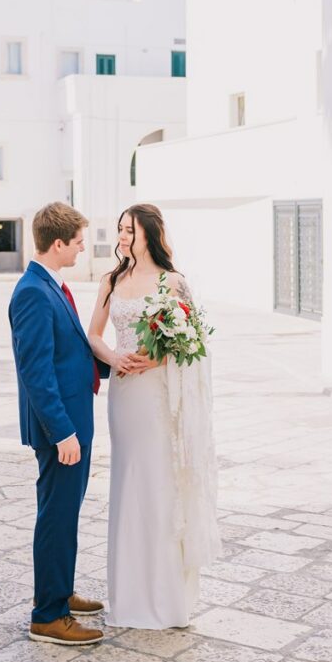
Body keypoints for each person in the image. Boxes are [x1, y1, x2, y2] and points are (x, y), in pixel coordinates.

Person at [87, 203, 221, 629]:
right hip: (124, 394)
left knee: (159, 484)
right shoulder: (112, 280)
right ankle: (128, 597)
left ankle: (165, 599)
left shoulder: (173, 282)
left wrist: (156, 360)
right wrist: (114, 357)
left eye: (129, 230)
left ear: (149, 233)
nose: (123, 237)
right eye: (120, 230)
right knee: (128, 482)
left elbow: (191, 343)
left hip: (157, 395)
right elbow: (93, 333)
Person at [9, 202, 114, 647]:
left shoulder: (54, 286)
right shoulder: (33, 292)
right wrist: (63, 433)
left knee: (65, 515)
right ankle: (48, 615)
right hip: (62, 431)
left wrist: (114, 363)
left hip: (73, 422)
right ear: (57, 244)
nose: (81, 249)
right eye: (76, 242)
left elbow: (69, 353)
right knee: (55, 517)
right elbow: (36, 371)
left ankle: (61, 591)